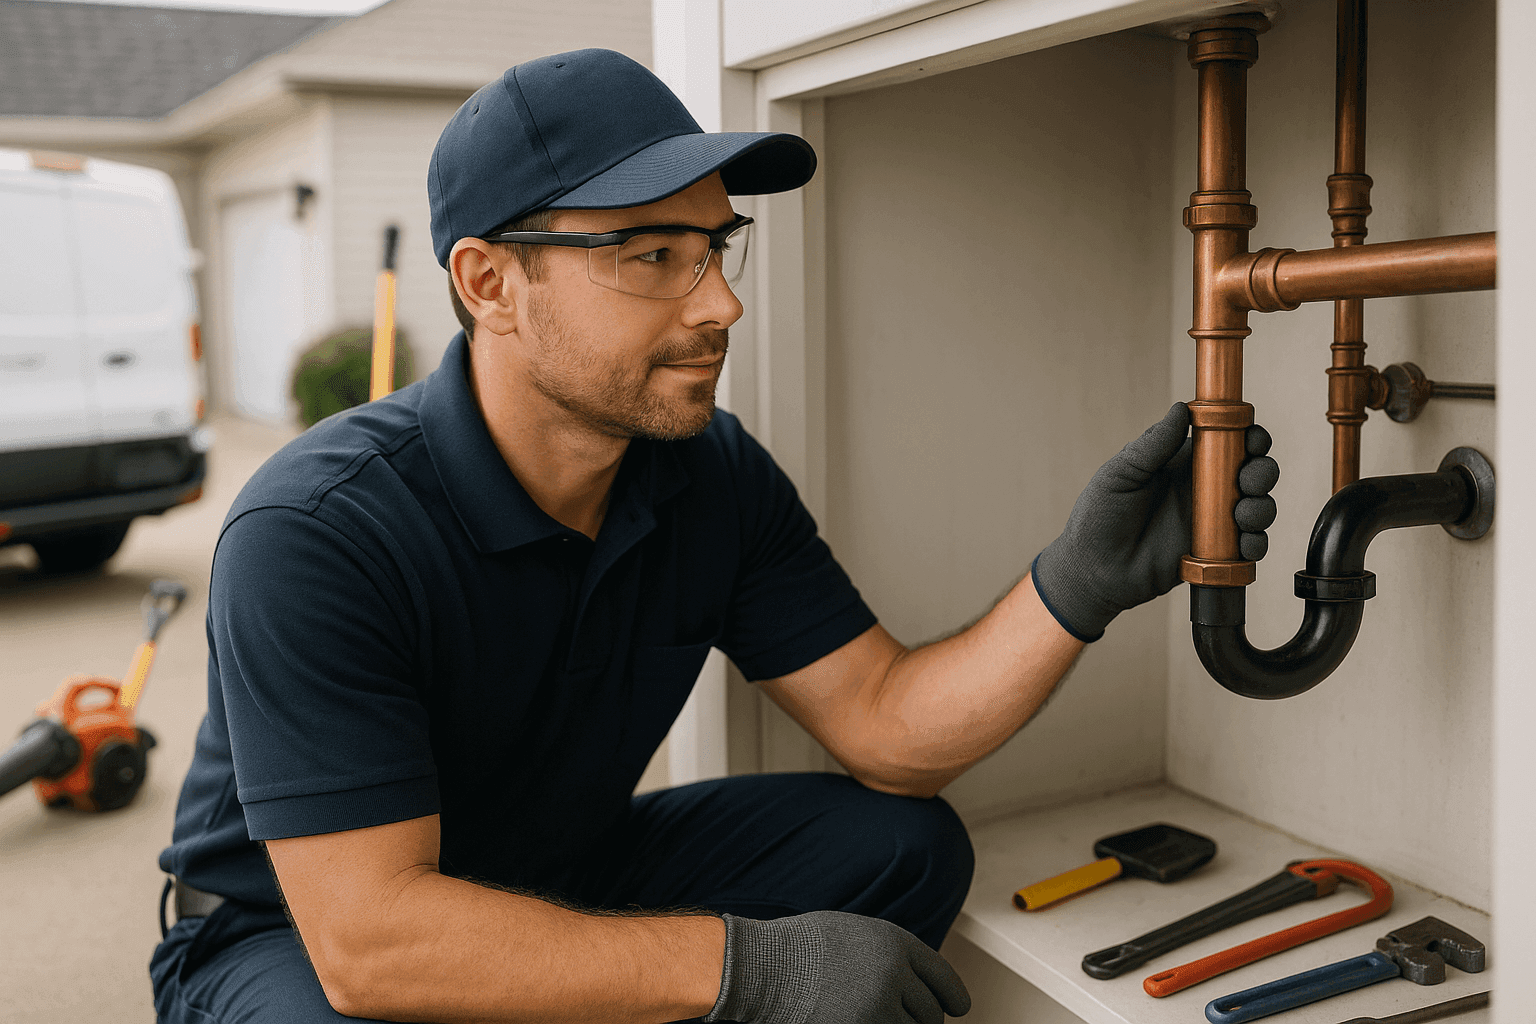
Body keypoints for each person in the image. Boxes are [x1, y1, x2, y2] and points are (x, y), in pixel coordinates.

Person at [149, 48, 1279, 1024]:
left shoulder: (707, 473)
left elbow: (887, 724)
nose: (719, 304)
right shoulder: (319, 530)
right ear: (490, 284)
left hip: (555, 869)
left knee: (901, 841)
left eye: (715, 246)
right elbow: (371, 940)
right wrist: (754, 969)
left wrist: (1076, 583)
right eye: (652, 256)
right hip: (286, 935)